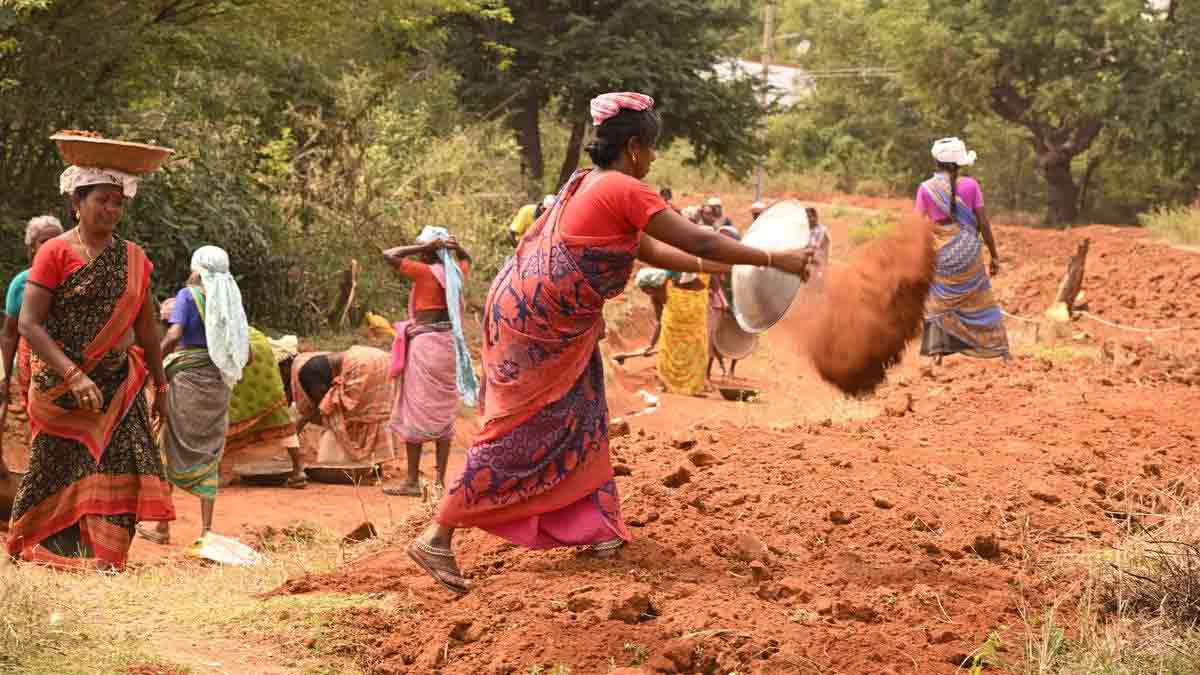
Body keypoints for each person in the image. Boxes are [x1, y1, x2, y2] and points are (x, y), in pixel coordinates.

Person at [406, 91, 814, 594]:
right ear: (638, 148)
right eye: (655, 149)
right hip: (540, 325)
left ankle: (594, 526)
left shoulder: (588, 183)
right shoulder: (624, 189)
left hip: (527, 311)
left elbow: (653, 250)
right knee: (518, 429)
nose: (656, 158)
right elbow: (698, 240)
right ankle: (437, 536)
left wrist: (735, 264)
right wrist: (775, 259)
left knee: (583, 410)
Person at [9, 160, 174, 570]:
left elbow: (148, 330)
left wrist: (161, 385)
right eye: (102, 200)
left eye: (118, 203)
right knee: (53, 468)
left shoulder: (134, 259)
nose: (111, 210)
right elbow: (28, 323)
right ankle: (37, 551)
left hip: (118, 384)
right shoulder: (55, 252)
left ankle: (105, 562)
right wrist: (73, 373)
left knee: (127, 462)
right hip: (60, 389)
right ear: (77, 203)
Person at [140, 246, 249, 544]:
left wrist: (150, 365)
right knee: (210, 452)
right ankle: (206, 531)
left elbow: (174, 335)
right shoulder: (230, 300)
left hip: (187, 381)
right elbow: (241, 347)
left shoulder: (189, 295)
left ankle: (163, 528)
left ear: (196, 267)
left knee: (167, 445)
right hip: (217, 384)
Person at [381, 227, 476, 500]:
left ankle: (412, 480)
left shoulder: (422, 272)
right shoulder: (457, 273)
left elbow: (389, 255)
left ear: (427, 250)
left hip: (425, 347)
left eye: (421, 248)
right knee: (443, 414)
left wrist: (421, 248)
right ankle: (438, 481)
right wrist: (454, 248)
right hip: (448, 347)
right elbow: (468, 257)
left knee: (415, 411)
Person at [915, 137, 1009, 366]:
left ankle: (937, 353)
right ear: (960, 163)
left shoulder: (926, 189)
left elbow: (918, 226)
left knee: (939, 300)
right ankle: (1001, 349)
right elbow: (984, 223)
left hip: (943, 253)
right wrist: (994, 255)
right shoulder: (971, 185)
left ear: (936, 161)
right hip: (970, 250)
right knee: (981, 298)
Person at [1, 215, 64, 475]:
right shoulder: (21, 284)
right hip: (33, 370)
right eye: (43, 241)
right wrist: (4, 377)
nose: (50, 245)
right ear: (32, 248)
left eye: (55, 240)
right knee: (40, 426)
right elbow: (9, 334)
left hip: (70, 368)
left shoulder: (74, 280)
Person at [282, 345, 395, 469]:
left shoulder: (310, 375)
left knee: (354, 415)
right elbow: (319, 405)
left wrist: (299, 427)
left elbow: (326, 407)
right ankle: (373, 464)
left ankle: (363, 462)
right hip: (377, 358)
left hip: (363, 365)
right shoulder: (314, 367)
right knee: (369, 412)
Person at [224, 329, 305, 487]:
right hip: (259, 356)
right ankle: (299, 468)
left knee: (225, 418)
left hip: (239, 355)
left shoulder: (206, 319)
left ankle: (219, 472)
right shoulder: (254, 335)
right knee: (281, 418)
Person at [657, 270, 712, 394]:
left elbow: (661, 285)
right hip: (695, 311)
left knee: (669, 344)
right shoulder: (706, 266)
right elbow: (715, 286)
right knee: (697, 347)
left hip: (674, 306)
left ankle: (666, 382)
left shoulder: (674, 260)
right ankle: (694, 386)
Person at [707, 224, 743, 379]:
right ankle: (718, 367)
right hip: (718, 301)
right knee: (713, 336)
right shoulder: (713, 258)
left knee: (739, 335)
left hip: (735, 301)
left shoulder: (741, 262)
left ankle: (731, 370)